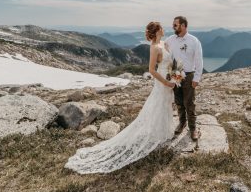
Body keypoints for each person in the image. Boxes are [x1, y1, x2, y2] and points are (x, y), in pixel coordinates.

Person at [64, 22, 175, 174]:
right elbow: (151, 70)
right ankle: (157, 135)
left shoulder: (164, 43)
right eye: (161, 27)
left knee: (165, 105)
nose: (164, 28)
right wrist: (166, 81)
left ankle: (164, 132)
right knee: (158, 106)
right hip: (163, 82)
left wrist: (174, 74)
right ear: (157, 31)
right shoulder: (155, 47)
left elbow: (169, 62)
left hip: (169, 79)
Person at [165, 16, 203, 141]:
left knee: (189, 103)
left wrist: (196, 78)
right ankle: (182, 123)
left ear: (183, 26)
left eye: (175, 25)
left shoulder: (194, 41)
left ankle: (193, 128)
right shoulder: (170, 40)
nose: (173, 27)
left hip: (189, 75)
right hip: (176, 74)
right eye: (173, 25)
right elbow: (165, 53)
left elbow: (199, 60)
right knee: (179, 101)